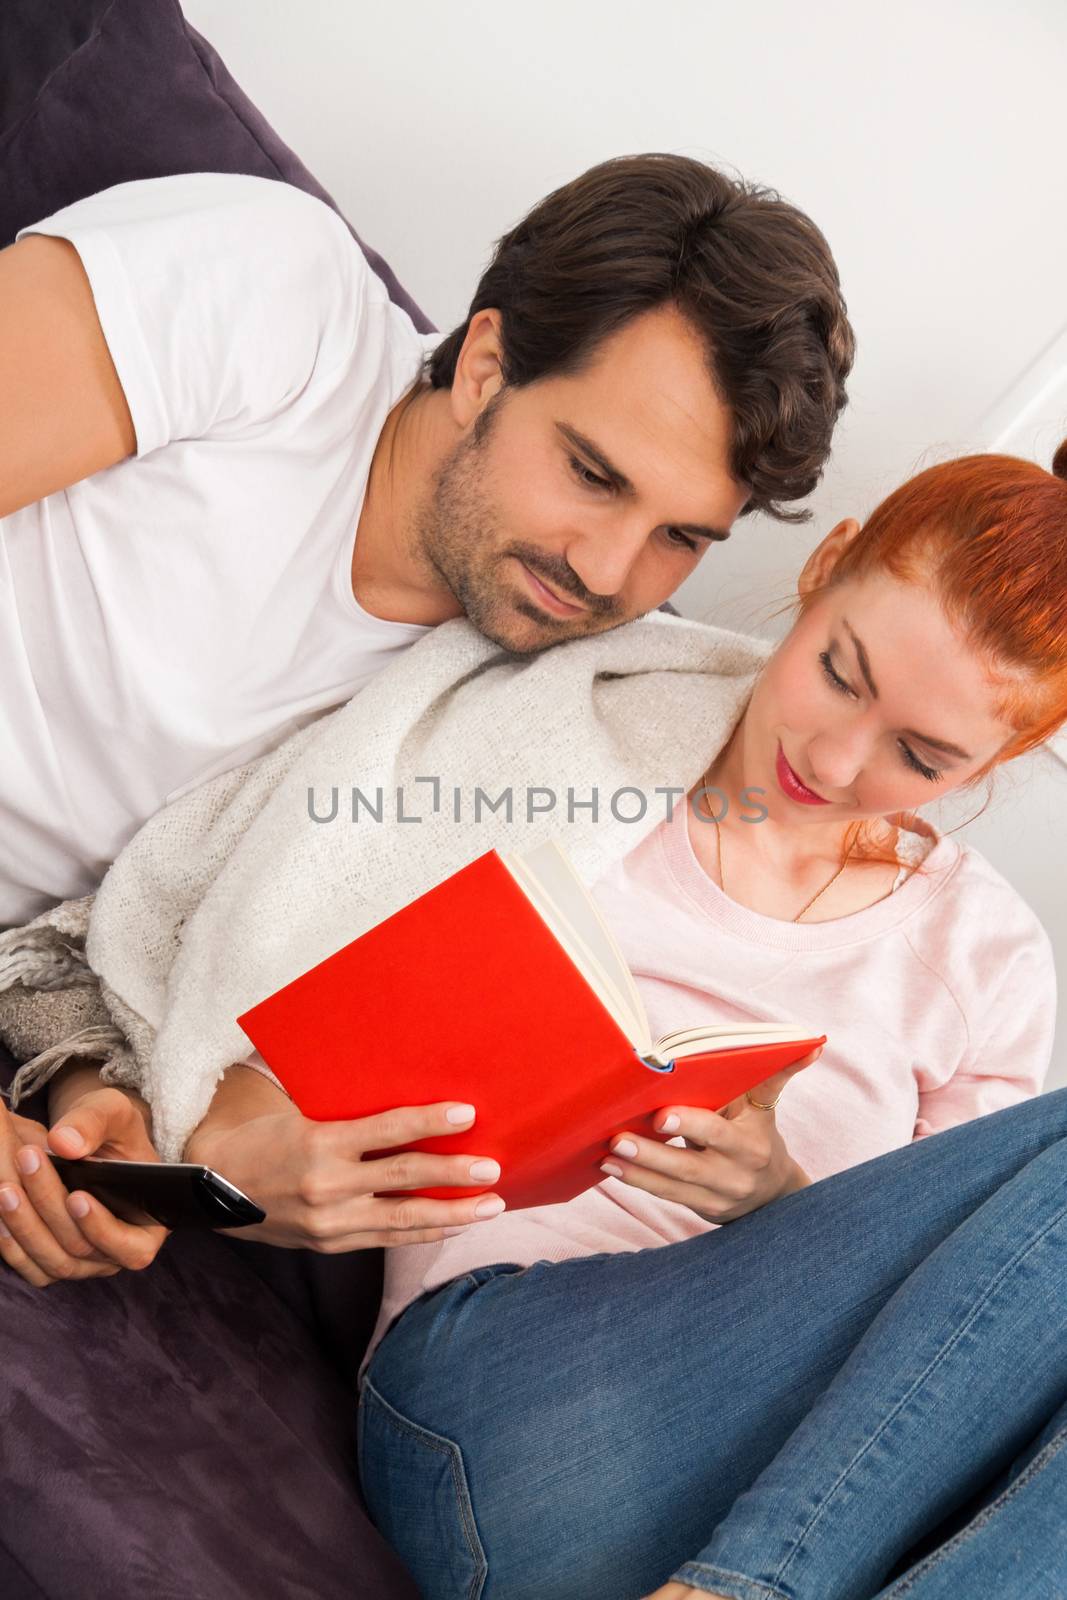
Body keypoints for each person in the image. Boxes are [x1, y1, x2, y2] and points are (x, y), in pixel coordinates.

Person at [0, 152, 853, 1280]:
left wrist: (90, 1105)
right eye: (592, 472)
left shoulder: (506, 707)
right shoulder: (275, 295)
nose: (605, 570)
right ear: (487, 364)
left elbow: (119, 937)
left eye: (681, 537)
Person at [339, 444, 1065, 1598]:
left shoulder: (984, 955)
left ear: (1004, 757)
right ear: (825, 567)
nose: (830, 760)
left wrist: (777, 1203)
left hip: (766, 1504)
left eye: (920, 757)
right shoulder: (581, 748)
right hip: (492, 1418)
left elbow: (962, 1360)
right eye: (837, 672)